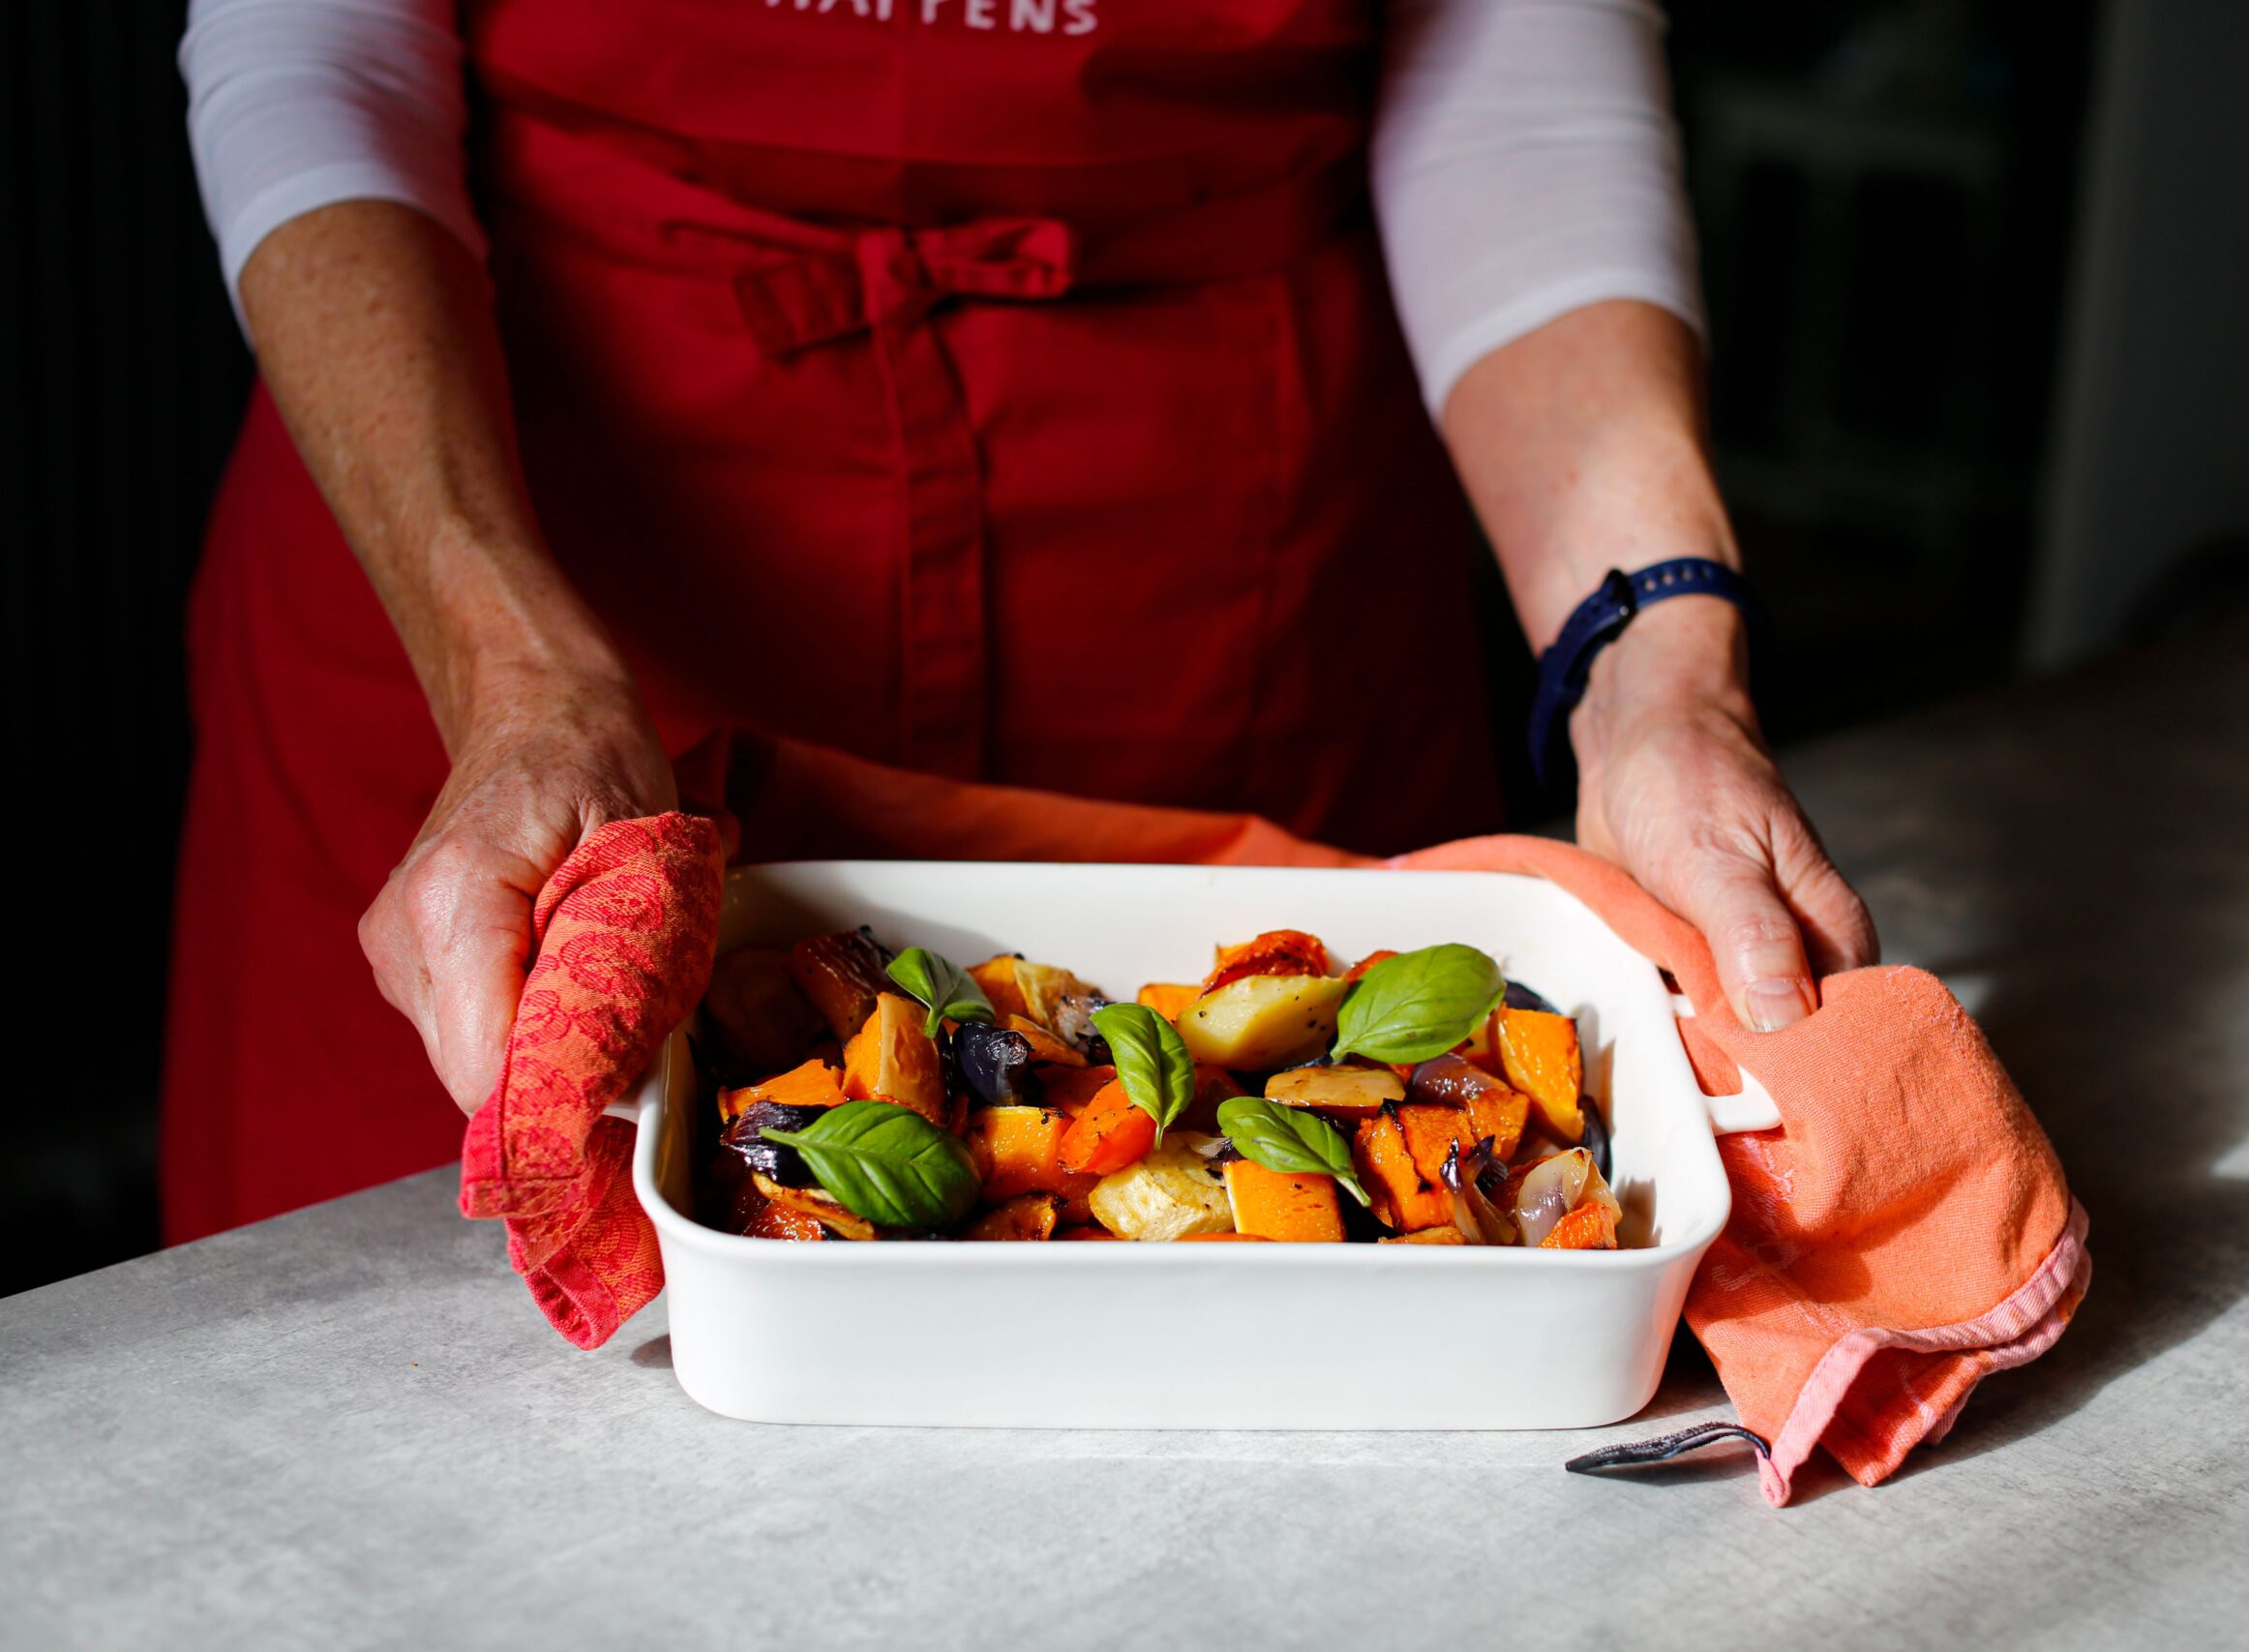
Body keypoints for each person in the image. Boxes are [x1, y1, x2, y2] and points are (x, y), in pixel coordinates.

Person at [167, 0, 1875, 1241]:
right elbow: (323, 46)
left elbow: (1513, 77)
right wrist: (513, 670)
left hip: (1220, 548)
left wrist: (1658, 671)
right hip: (520, 531)